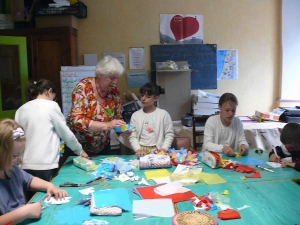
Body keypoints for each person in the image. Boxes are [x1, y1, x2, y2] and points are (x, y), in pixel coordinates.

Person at [15, 79, 88, 182]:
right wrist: (79, 150)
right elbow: (66, 134)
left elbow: (17, 138)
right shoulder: (51, 106)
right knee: (46, 195)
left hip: (23, 165)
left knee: (32, 198)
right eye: (54, 98)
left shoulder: (21, 109)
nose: (54, 100)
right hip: (44, 164)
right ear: (49, 91)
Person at [0, 119, 68, 225]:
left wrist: (49, 186)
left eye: (19, 154)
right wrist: (25, 212)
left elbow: (30, 180)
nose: (17, 159)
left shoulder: (12, 169)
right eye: (14, 155)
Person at [67, 55, 128, 156]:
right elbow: (76, 120)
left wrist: (123, 131)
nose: (115, 82)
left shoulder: (114, 92)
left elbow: (117, 118)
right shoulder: (83, 88)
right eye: (111, 78)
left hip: (103, 147)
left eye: (116, 78)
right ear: (100, 74)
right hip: (79, 147)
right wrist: (107, 125)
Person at [129, 82, 174, 156]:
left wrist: (164, 148)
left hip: (158, 150)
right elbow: (132, 136)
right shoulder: (135, 115)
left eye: (148, 96)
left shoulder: (163, 114)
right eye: (142, 95)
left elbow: (169, 134)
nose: (143, 98)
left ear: (156, 98)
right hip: (141, 151)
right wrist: (138, 149)